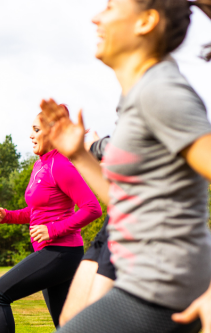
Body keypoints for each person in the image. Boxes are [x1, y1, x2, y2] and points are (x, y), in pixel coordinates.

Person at [39, 0, 211, 332]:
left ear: (146, 22)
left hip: (162, 288)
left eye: (110, 7)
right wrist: (79, 155)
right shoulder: (138, 94)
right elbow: (126, 203)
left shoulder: (161, 92)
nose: (95, 17)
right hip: (142, 280)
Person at [0, 106, 102, 332]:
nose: (30, 135)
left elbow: (92, 208)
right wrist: (7, 216)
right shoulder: (40, 165)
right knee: (65, 325)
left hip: (61, 252)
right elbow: (35, 211)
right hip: (52, 253)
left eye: (36, 130)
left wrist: (53, 230)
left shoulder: (62, 165)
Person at [59, 135, 116, 326]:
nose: (31, 135)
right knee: (69, 319)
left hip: (134, 227)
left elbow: (92, 208)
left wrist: (94, 147)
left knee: (93, 323)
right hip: (112, 223)